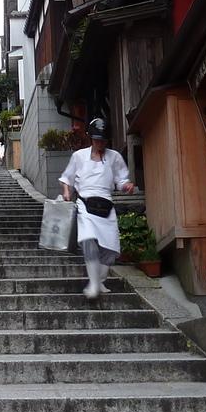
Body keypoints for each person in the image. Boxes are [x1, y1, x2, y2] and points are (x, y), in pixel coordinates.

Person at [59, 118, 135, 299]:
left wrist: (127, 186)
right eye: (96, 139)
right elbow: (66, 177)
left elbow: (122, 180)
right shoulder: (79, 156)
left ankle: (100, 280)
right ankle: (93, 284)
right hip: (85, 203)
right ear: (91, 138)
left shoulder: (114, 157)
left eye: (103, 140)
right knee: (88, 240)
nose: (99, 143)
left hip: (106, 205)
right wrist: (67, 192)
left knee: (111, 247)